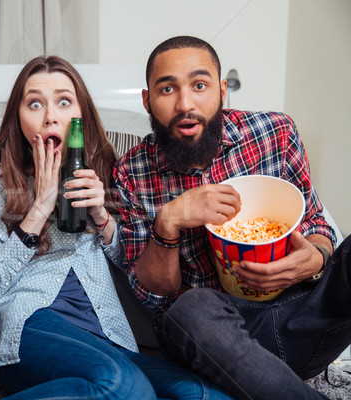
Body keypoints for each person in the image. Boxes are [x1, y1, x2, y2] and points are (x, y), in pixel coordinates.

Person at [0, 55, 233, 400]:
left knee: (203, 394)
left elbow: (136, 266)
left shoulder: (107, 169)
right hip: (31, 324)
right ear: (19, 117)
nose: (50, 116)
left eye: (64, 101)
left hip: (106, 333)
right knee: (121, 385)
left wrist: (102, 216)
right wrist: (40, 206)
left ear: (80, 114)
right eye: (35, 103)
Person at [114, 35, 351, 400]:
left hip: (302, 315)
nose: (185, 104)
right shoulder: (131, 172)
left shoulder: (276, 133)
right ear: (147, 100)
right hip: (216, 340)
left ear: (222, 91)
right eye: (167, 89)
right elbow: (154, 296)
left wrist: (315, 259)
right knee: (188, 309)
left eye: (199, 85)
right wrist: (168, 221)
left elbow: (317, 225)